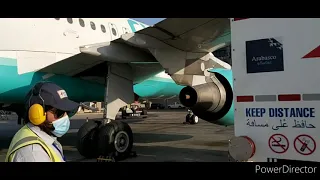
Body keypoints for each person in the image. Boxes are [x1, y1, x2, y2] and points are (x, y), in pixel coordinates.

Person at [5, 81, 79, 162]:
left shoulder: (44, 139)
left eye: (67, 112)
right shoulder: (34, 154)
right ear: (37, 113)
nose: (66, 117)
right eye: (60, 112)